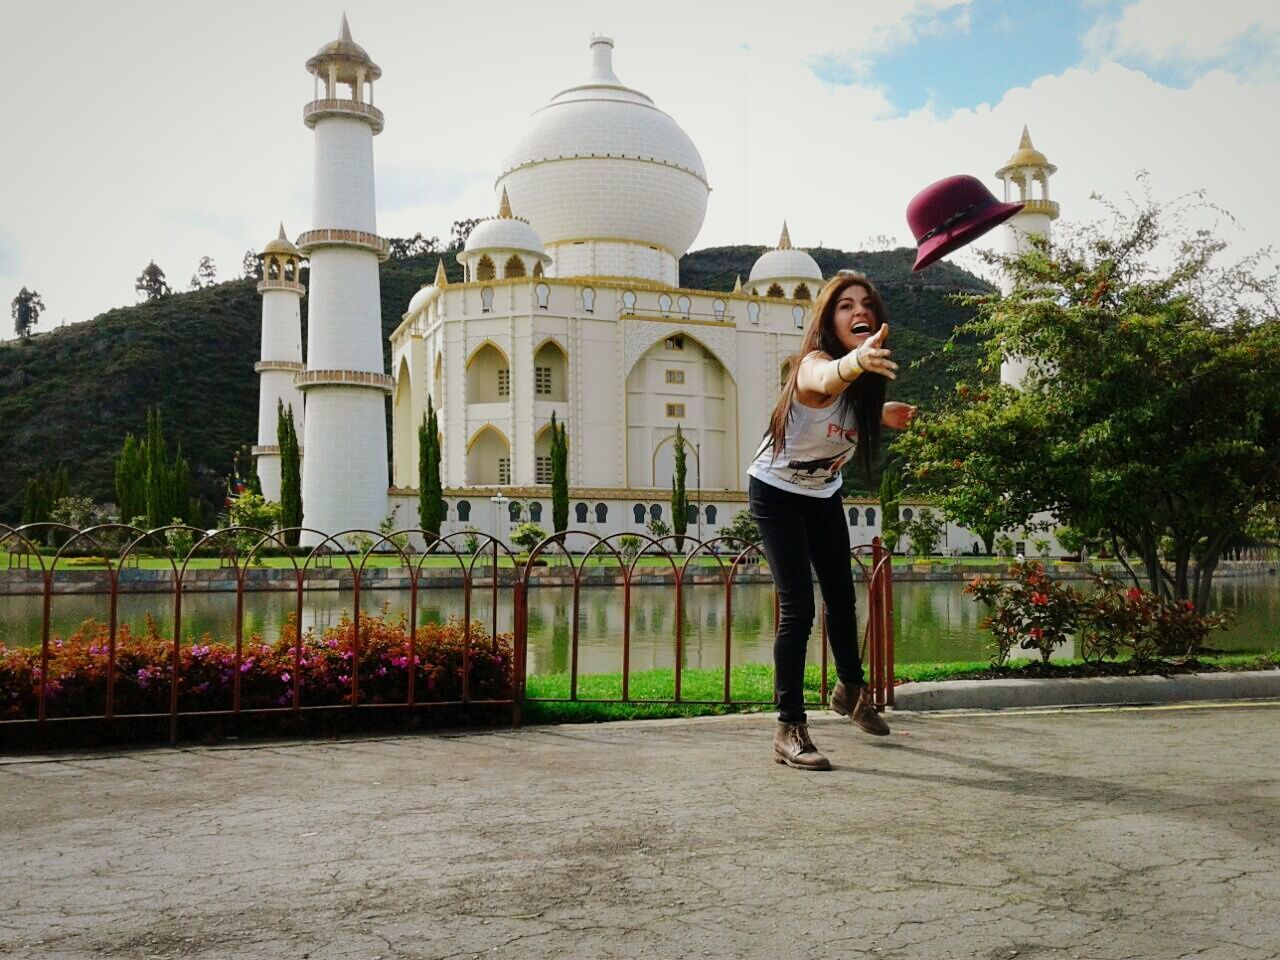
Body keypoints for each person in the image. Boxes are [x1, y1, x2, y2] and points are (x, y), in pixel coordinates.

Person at [747, 271, 916, 770]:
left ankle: (850, 692)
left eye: (867, 304)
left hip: (822, 494)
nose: (858, 311)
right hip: (776, 493)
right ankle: (788, 727)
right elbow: (823, 383)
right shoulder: (814, 365)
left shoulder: (863, 389)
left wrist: (885, 412)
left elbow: (842, 407)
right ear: (828, 319)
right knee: (798, 608)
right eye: (845, 306)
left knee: (842, 597)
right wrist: (857, 361)